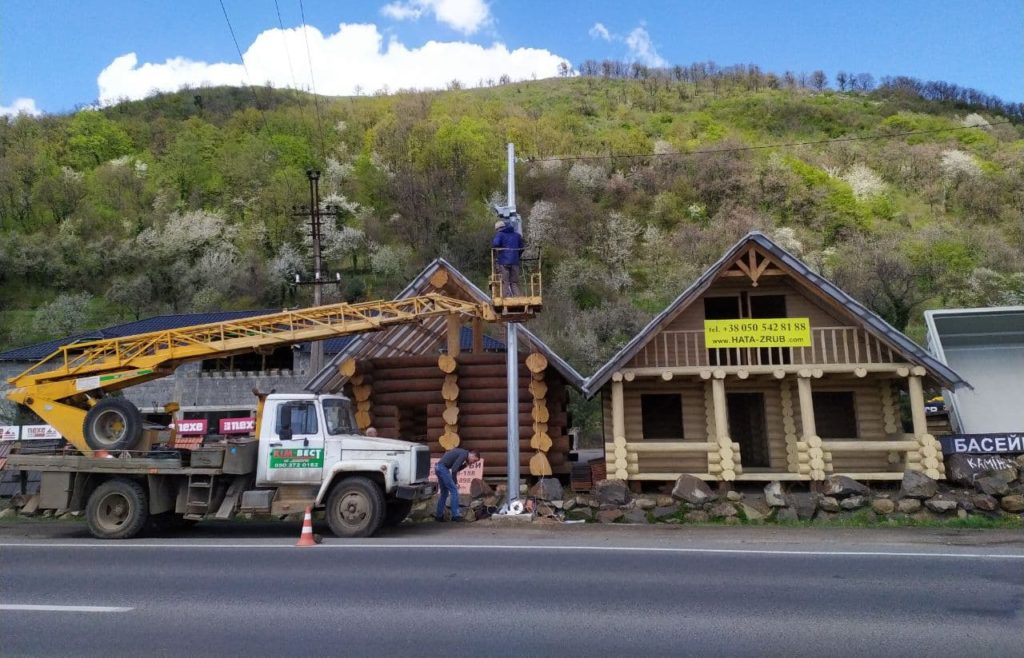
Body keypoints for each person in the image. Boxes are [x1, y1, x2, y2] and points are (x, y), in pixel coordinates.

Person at [434, 447, 480, 522]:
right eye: (474, 460)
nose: (473, 462)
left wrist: (465, 465)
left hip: (438, 467)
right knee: (454, 491)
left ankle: (439, 516)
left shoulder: (463, 453)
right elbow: (454, 469)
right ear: (472, 455)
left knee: (444, 493)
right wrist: (455, 482)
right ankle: (455, 516)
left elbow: (455, 467)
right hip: (443, 468)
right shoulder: (464, 454)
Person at [491, 220, 524, 297]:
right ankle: (517, 298)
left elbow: (496, 244)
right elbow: (522, 248)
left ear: (498, 228)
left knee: (505, 281)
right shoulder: (517, 235)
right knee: (514, 282)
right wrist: (517, 256)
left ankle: (507, 298)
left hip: (503, 262)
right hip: (515, 262)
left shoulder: (500, 234)